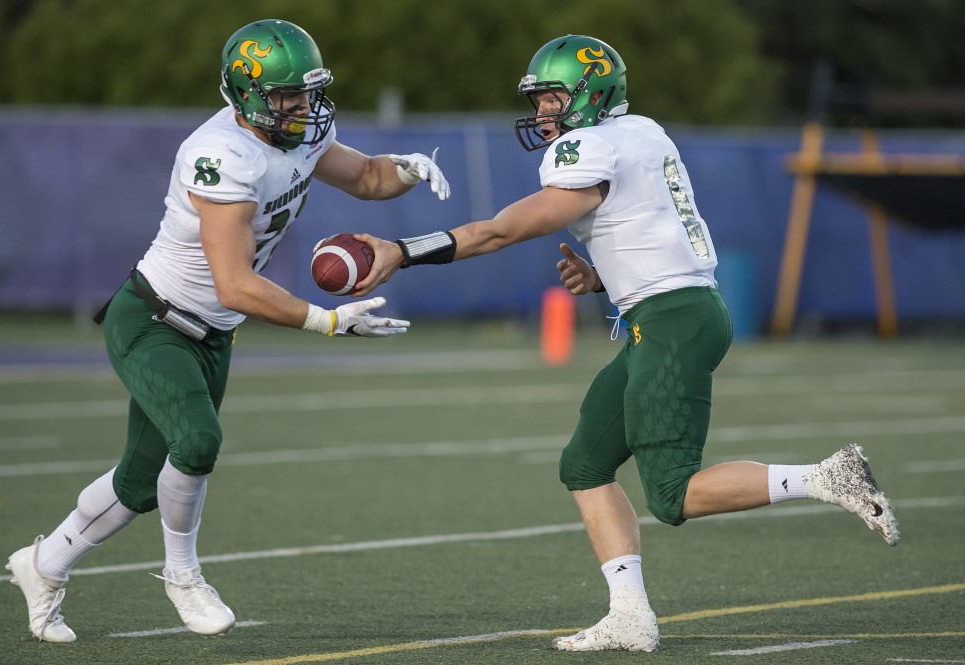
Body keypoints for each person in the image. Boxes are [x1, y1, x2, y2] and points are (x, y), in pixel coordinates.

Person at [352, 34, 900, 653]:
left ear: (590, 97)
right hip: (666, 311)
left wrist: (403, 250)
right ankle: (629, 616)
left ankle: (829, 477)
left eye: (553, 100)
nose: (542, 115)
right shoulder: (640, 131)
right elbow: (652, 229)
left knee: (671, 494)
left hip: (673, 319)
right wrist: (603, 280)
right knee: (584, 463)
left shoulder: (589, 147)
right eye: (539, 102)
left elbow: (501, 232)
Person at [5, 19, 450, 643]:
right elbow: (234, 284)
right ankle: (182, 574)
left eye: (307, 91)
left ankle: (42, 566)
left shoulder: (298, 132)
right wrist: (326, 321)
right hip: (154, 320)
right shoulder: (221, 155)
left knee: (137, 484)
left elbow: (368, 178)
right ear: (245, 94)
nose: (302, 106)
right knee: (197, 441)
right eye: (285, 95)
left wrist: (407, 167)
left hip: (213, 333)